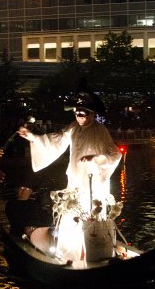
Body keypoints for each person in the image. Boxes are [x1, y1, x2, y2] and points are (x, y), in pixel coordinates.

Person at [17, 91, 122, 262]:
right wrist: (33, 137)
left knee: (92, 215)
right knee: (71, 213)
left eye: (82, 113)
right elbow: (57, 140)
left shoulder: (99, 130)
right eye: (76, 113)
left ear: (91, 114)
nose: (79, 116)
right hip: (75, 180)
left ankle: (97, 252)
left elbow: (114, 154)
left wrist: (95, 158)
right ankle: (68, 255)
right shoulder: (73, 128)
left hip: (93, 182)